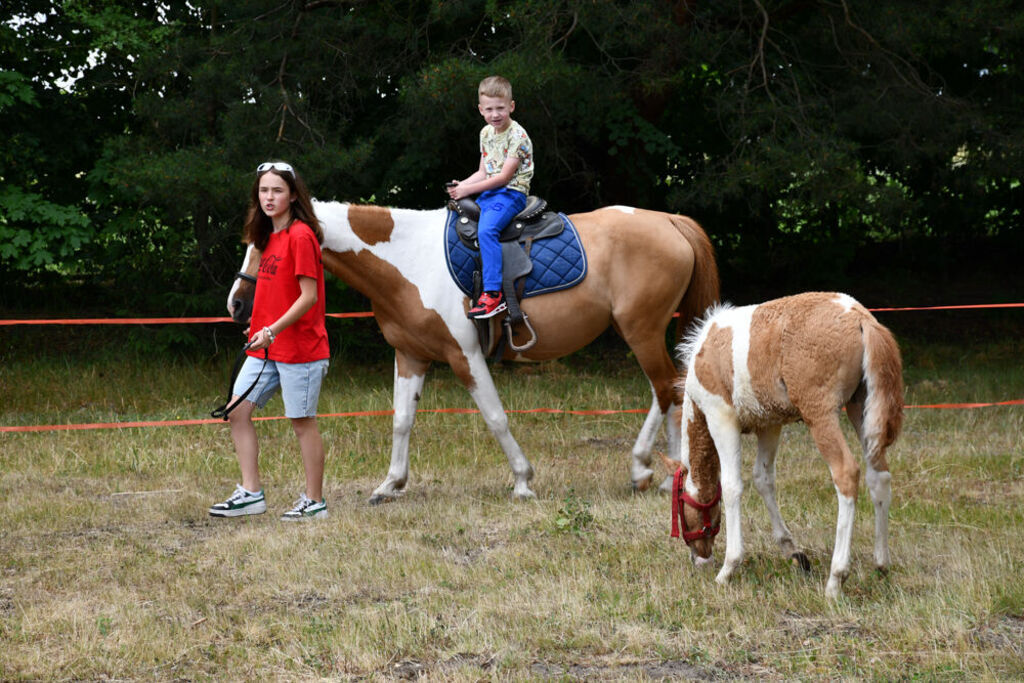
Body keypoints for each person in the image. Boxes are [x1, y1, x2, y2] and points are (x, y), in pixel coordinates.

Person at [209, 161, 330, 521]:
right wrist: (259, 327)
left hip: (300, 349)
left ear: (293, 195)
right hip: (266, 347)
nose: (269, 197)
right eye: (264, 190)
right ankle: (251, 493)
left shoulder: (302, 236)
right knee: (236, 410)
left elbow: (308, 296)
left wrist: (273, 328)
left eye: (277, 190)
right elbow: (273, 292)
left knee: (301, 421)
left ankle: (315, 502)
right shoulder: (266, 238)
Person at [447, 75, 534, 319]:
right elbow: (484, 171)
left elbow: (503, 178)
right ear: (480, 109)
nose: (495, 114)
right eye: (489, 109)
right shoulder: (486, 133)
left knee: (487, 230)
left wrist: (468, 190)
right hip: (489, 190)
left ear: (511, 106)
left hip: (511, 193)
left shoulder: (518, 136)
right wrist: (461, 185)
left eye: (500, 108)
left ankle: (494, 293)